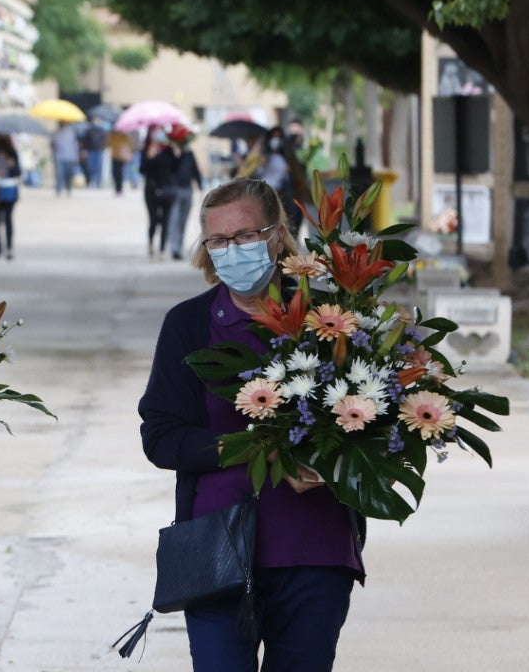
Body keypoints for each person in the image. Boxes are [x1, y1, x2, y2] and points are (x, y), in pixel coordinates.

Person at [138, 178, 364, 671]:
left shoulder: (330, 318)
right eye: (217, 241)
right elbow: (160, 436)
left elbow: (374, 415)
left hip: (315, 551)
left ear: (278, 235)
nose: (231, 250)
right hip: (217, 553)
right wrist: (252, 449)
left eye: (244, 236)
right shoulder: (189, 325)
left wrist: (338, 458)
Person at [158, 130, 203, 261]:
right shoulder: (168, 153)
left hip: (187, 189)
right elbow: (165, 169)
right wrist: (175, 155)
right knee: (174, 219)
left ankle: (179, 245)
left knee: (183, 220)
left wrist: (200, 186)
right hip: (174, 190)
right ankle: (175, 248)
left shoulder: (189, 154)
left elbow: (195, 170)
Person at [140, 128, 177, 258]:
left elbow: (176, 168)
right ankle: (151, 243)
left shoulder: (170, 150)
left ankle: (162, 249)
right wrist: (150, 157)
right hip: (152, 190)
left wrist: (178, 152)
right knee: (153, 220)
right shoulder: (147, 150)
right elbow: (142, 170)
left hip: (168, 190)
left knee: (166, 221)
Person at [51, 121, 80, 196]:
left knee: (69, 174)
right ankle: (59, 188)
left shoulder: (71, 133)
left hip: (69, 157)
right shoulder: (55, 133)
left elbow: (75, 145)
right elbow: (52, 145)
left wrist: (76, 156)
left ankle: (68, 187)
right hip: (59, 156)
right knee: (59, 174)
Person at [80, 120, 109, 188]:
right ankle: (91, 181)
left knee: (98, 167)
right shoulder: (89, 131)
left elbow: (105, 140)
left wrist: (103, 147)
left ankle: (98, 182)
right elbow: (85, 141)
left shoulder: (102, 130)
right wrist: (85, 150)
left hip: (99, 151)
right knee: (91, 167)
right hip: (91, 150)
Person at [108, 128, 136, 196]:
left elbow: (130, 144)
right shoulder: (113, 136)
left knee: (119, 173)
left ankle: (119, 189)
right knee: (115, 173)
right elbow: (108, 143)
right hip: (115, 156)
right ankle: (118, 188)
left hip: (121, 157)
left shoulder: (124, 136)